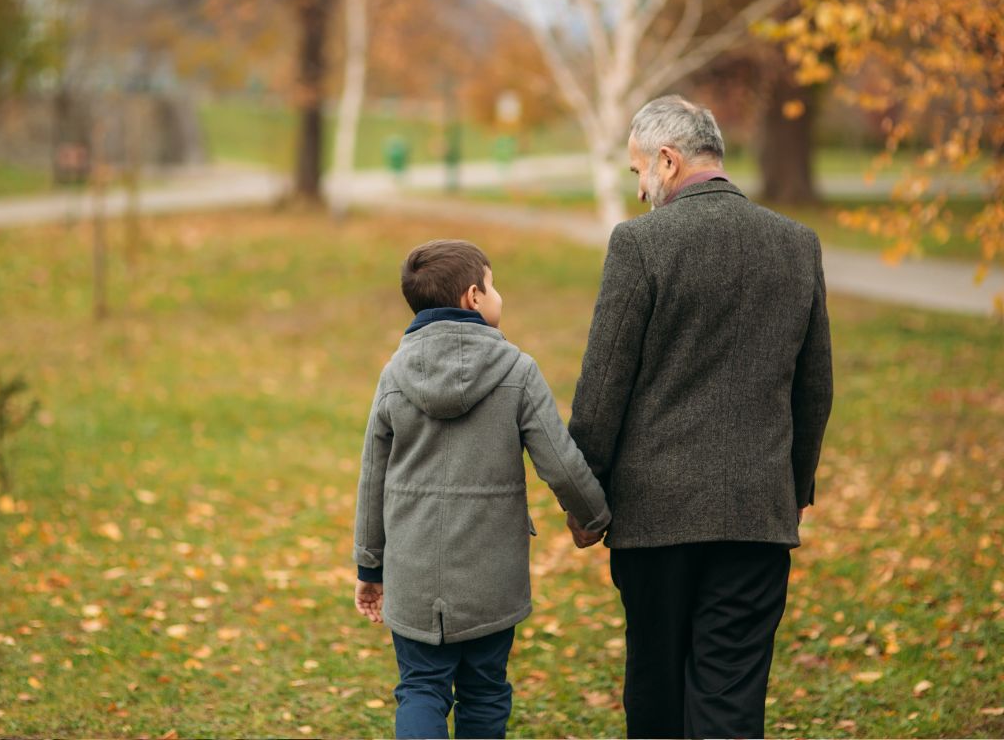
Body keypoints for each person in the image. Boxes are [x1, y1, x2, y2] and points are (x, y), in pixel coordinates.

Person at [565, 95, 834, 738]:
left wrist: (584, 500)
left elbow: (603, 388)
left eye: (638, 174)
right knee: (731, 697)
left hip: (654, 518)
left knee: (656, 688)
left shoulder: (640, 244)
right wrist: (792, 490)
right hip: (755, 514)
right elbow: (815, 386)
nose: (639, 191)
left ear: (667, 159)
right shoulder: (797, 244)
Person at [353, 239, 612, 739]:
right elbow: (560, 463)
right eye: (494, 285)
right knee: (486, 691)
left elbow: (372, 478)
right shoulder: (517, 371)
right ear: (474, 296)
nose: (499, 295)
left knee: (421, 687)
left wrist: (369, 566)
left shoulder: (394, 374)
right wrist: (593, 517)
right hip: (490, 579)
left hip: (413, 574)